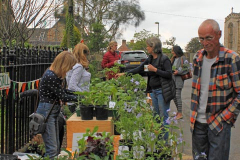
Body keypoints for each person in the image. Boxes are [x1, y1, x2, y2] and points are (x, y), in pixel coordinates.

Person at [191, 19, 240, 160]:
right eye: (201, 38)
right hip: (197, 124)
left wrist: (225, 118)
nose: (205, 43)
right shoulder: (197, 58)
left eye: (208, 38)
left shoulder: (232, 59)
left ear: (219, 34)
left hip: (219, 125)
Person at [116, 37, 172, 140]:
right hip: (154, 91)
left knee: (164, 117)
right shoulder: (150, 59)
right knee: (156, 116)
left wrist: (155, 70)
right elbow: (139, 68)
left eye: (148, 46)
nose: (146, 48)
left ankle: (165, 143)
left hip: (162, 91)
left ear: (153, 47)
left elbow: (169, 74)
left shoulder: (164, 59)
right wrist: (124, 73)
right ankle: (158, 140)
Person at [36, 51, 78, 159]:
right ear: (64, 64)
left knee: (55, 147)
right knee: (52, 149)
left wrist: (79, 94)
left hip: (51, 111)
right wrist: (80, 98)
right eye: (69, 66)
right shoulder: (51, 77)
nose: (69, 69)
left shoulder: (54, 75)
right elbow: (63, 96)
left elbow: (63, 92)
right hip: (47, 112)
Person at [66, 43, 91, 112]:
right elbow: (72, 85)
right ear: (83, 54)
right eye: (86, 55)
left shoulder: (73, 65)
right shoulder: (79, 67)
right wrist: (84, 95)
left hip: (74, 101)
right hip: (77, 102)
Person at [170, 45, 188, 120]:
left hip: (179, 80)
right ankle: (178, 112)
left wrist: (179, 72)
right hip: (173, 80)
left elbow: (187, 69)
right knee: (174, 97)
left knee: (177, 96)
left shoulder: (182, 58)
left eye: (173, 50)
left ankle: (180, 113)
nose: (172, 52)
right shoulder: (174, 59)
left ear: (177, 51)